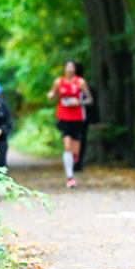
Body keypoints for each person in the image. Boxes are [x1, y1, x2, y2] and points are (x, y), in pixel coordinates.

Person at [47, 59, 92, 188]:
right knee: (67, 145)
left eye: (72, 67)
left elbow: (90, 99)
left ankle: (74, 158)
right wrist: (51, 95)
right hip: (63, 116)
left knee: (75, 151)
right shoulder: (59, 82)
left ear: (75, 69)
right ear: (65, 68)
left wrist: (78, 102)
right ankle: (70, 177)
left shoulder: (80, 82)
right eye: (68, 67)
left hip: (77, 117)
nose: (70, 69)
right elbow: (51, 94)